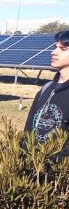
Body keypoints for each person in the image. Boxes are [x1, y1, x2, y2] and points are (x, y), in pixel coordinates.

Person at [24, 30, 69, 158]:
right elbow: (29, 127)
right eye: (55, 47)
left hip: (58, 173)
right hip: (33, 168)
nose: (54, 52)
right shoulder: (46, 88)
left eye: (63, 49)